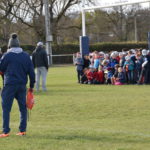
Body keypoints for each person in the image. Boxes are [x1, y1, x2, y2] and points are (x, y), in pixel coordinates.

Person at [0, 33, 35, 137]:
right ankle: (22, 130)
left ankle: (6, 131)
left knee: (6, 108)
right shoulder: (26, 56)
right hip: (22, 85)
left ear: (9, 45)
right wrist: (32, 86)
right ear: (19, 45)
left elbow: (1, 68)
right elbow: (32, 72)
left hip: (9, 84)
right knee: (23, 108)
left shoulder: (7, 55)